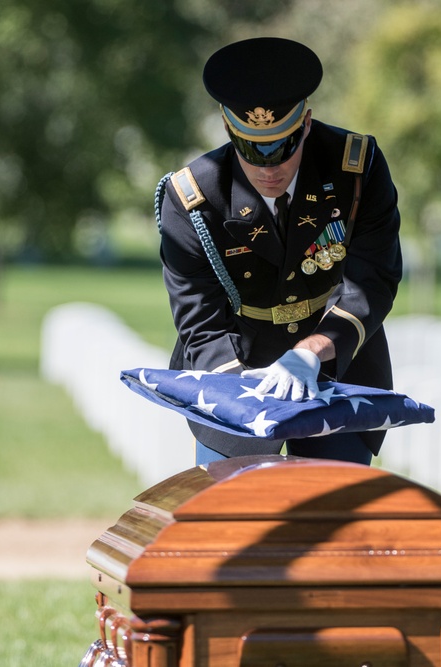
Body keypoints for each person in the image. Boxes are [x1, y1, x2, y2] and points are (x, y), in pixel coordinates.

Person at [156, 37, 402, 466]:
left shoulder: (356, 169)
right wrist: (242, 392)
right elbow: (200, 318)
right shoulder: (192, 197)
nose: (269, 167)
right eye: (251, 149)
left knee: (331, 515)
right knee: (235, 515)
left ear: (306, 123)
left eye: (282, 146)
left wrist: (313, 350)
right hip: (234, 367)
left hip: (336, 360)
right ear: (228, 127)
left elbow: (372, 279)